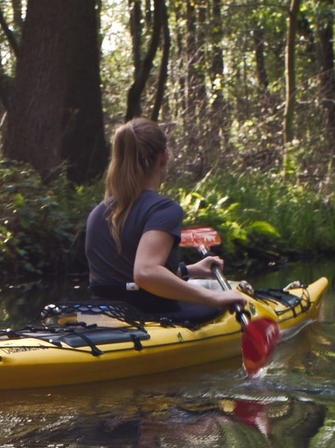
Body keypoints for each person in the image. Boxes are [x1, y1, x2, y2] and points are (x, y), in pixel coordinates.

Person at [84, 118, 251, 323]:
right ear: (163, 157)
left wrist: (190, 270)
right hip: (151, 315)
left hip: (101, 318)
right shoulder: (164, 209)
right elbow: (145, 273)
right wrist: (216, 297)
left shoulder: (98, 212)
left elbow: (124, 276)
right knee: (225, 306)